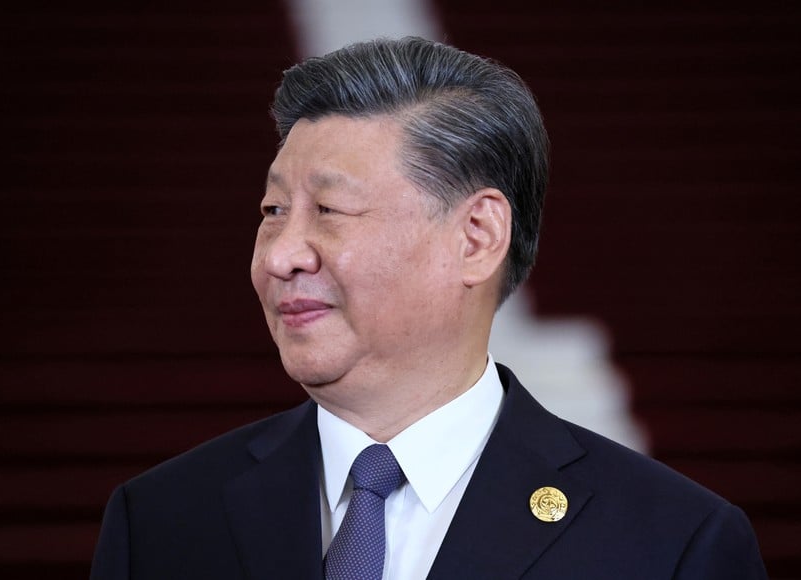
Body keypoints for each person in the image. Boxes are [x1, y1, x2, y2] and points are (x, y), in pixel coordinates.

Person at [90, 37, 767, 579]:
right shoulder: (161, 520)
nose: (280, 256)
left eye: (328, 209)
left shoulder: (672, 544)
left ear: (476, 238)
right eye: (272, 211)